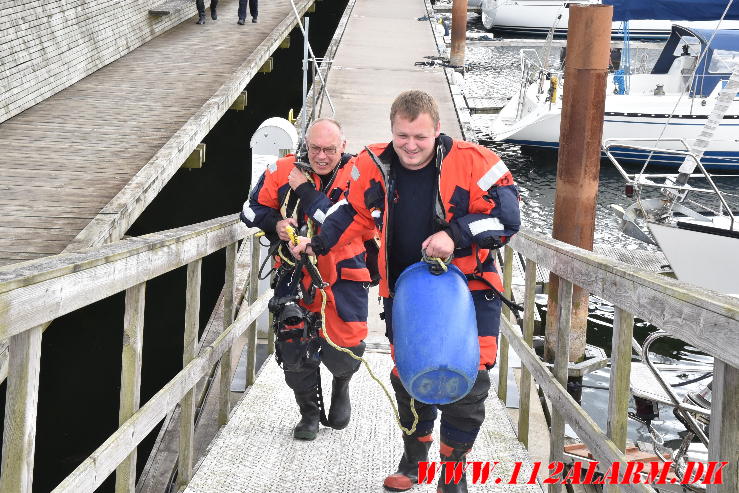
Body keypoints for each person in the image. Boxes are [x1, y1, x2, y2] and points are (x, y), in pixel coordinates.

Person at [291, 90, 521, 492]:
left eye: (420, 138)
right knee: (409, 379)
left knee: (468, 385)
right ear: (392, 132)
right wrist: (317, 244)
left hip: (468, 293)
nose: (410, 147)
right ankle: (414, 462)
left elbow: (507, 218)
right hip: (406, 296)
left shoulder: (477, 163)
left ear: (437, 132)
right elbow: (351, 215)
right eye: (402, 137)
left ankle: (452, 473)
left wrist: (456, 234)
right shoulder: (372, 166)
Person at [241, 118, 375, 441]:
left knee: (347, 348)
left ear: (343, 146)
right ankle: (309, 413)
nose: (322, 156)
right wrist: (276, 223)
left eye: (330, 149)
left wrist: (304, 189)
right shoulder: (281, 170)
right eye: (315, 148)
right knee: (291, 344)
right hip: (295, 272)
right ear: (305, 144)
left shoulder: (358, 175)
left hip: (344, 275)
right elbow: (248, 210)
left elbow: (338, 221)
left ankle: (341, 382)